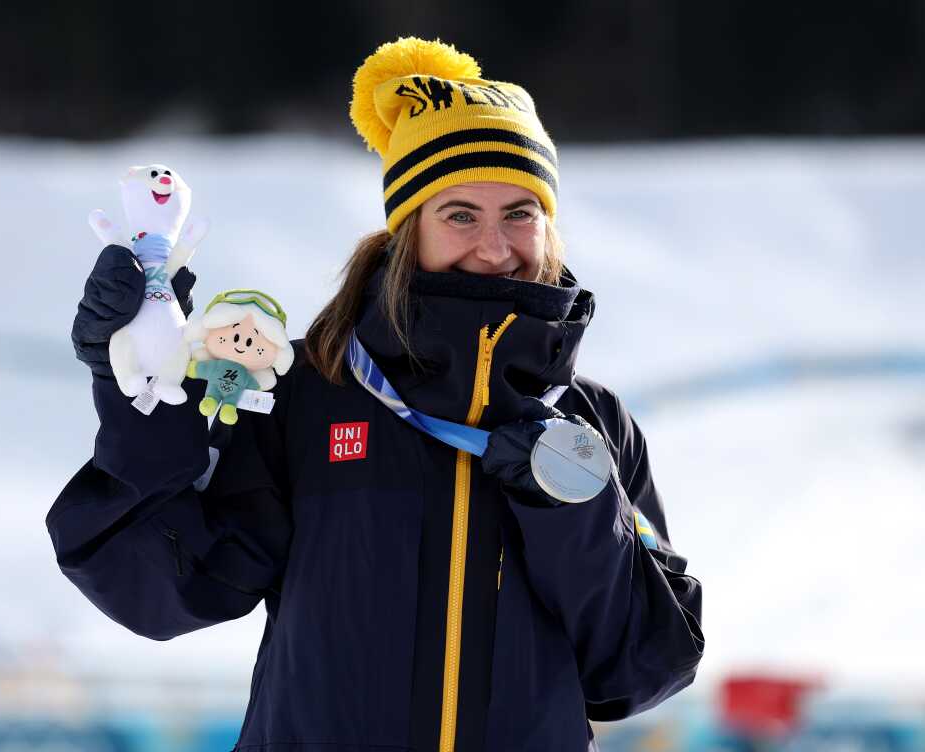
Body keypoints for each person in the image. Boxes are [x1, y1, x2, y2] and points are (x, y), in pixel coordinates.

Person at [46, 37, 705, 752]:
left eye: (521, 213)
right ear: (408, 228)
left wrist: (570, 509)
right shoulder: (308, 392)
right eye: (460, 214)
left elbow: (642, 668)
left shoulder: (590, 426)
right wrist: (140, 395)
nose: (494, 246)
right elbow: (165, 590)